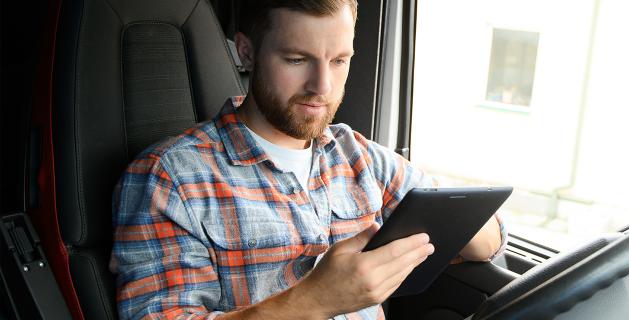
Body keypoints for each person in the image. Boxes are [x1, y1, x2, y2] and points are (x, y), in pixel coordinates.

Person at [110, 0, 506, 319]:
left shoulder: (360, 157)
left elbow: (488, 236)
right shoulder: (171, 179)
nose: (323, 86)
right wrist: (313, 301)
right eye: (297, 60)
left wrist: (465, 229)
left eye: (339, 61)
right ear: (247, 52)